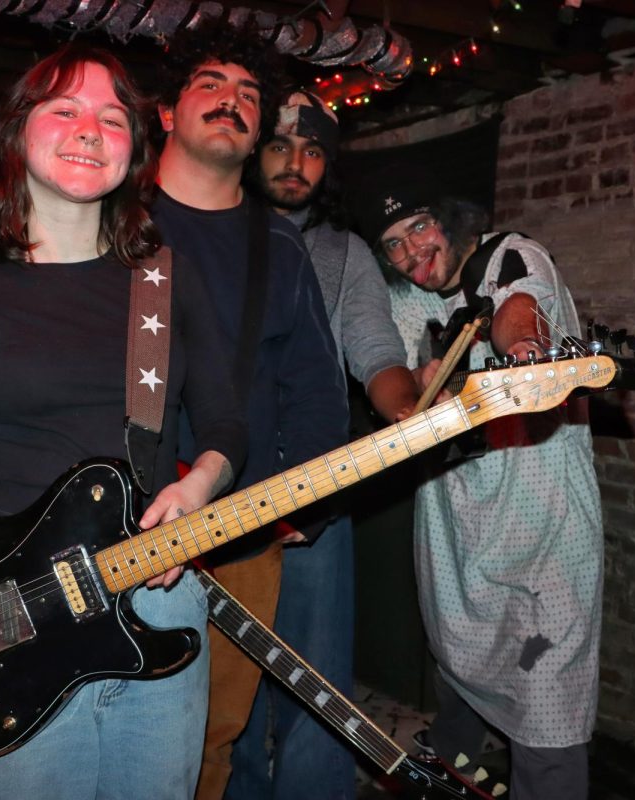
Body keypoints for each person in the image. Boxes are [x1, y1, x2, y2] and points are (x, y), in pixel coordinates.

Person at [0, 43, 248, 800]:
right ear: (15, 137)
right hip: (5, 608)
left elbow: (229, 421)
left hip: (155, 594)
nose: (89, 129)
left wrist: (201, 484)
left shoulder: (165, 280)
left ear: (136, 152)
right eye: (63, 109)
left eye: (111, 117)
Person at [149, 20, 351, 800]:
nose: (232, 102)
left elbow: (315, 388)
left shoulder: (280, 244)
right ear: (167, 112)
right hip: (99, 528)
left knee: (211, 742)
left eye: (249, 95)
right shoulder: (109, 220)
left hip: (238, 533)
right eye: (211, 84)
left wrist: (303, 496)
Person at [355, 188, 603, 800]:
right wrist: (415, 392)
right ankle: (446, 775)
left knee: (548, 685)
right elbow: (404, 370)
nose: (411, 251)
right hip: (455, 510)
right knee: (461, 656)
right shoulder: (410, 299)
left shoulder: (511, 256)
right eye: (393, 244)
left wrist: (522, 348)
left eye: (419, 228)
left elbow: (518, 309)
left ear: (449, 219)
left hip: (541, 508)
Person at [233, 89, 419, 800]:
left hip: (314, 492)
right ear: (254, 151)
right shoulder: (216, 235)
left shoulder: (346, 253)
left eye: (314, 151)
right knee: (230, 686)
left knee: (316, 689)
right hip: (214, 494)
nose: (297, 163)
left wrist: (406, 407)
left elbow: (376, 349)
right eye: (282, 145)